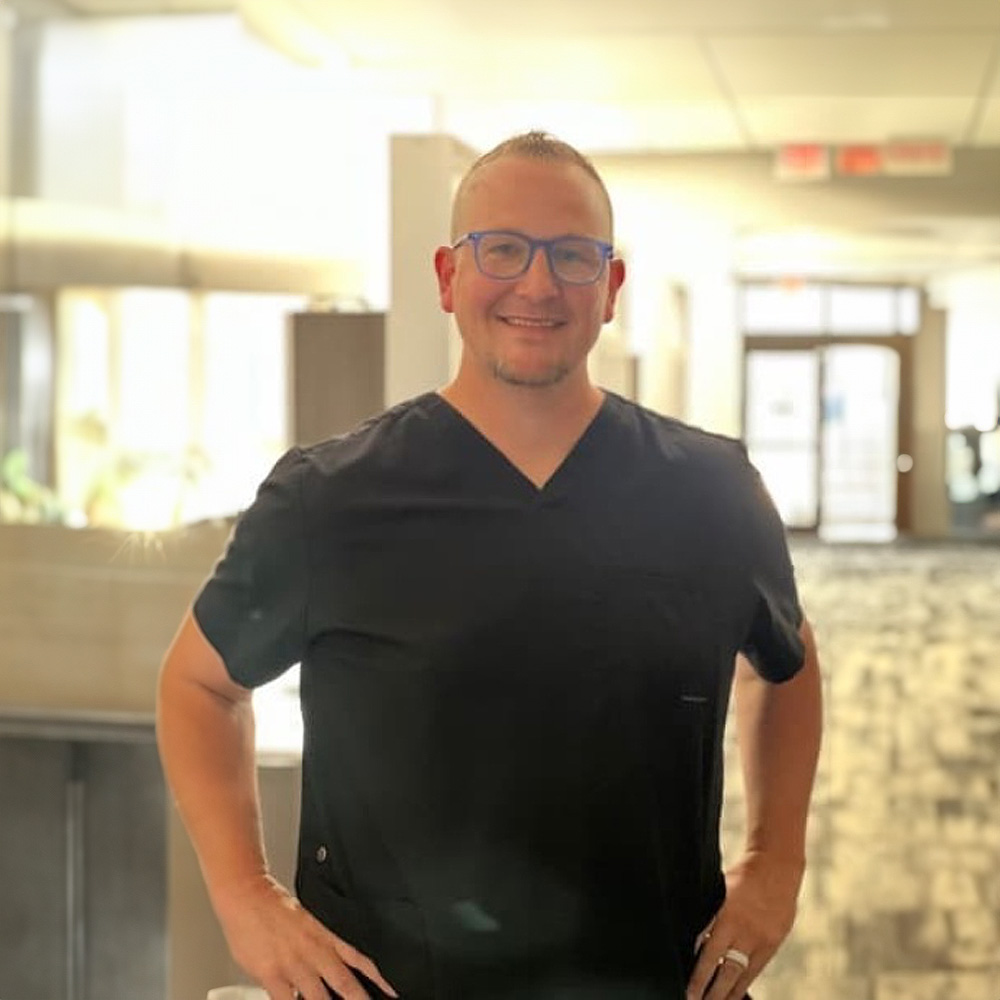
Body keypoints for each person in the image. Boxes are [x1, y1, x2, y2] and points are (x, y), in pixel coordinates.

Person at [157, 131, 823, 1000]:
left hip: (649, 976)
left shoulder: (711, 493)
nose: (538, 284)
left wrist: (775, 865)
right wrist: (245, 899)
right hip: (392, 980)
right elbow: (199, 687)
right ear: (448, 276)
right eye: (502, 249)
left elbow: (787, 666)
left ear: (611, 287)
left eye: (574, 256)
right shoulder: (330, 500)